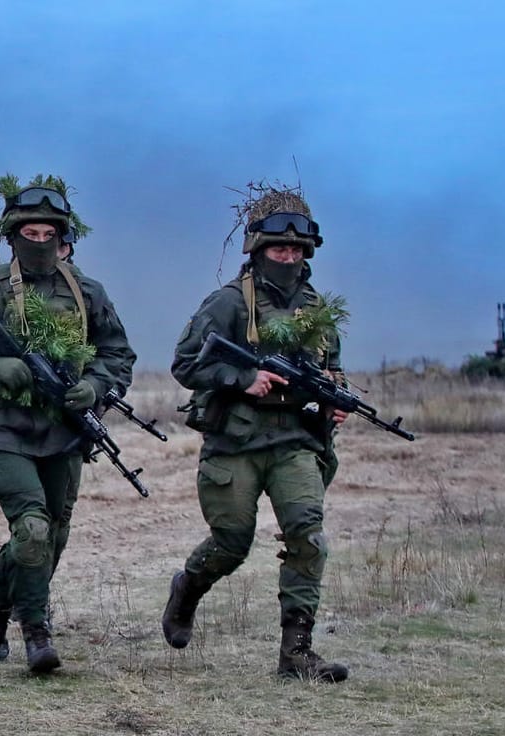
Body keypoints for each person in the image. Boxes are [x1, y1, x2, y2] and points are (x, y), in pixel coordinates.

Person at [0, 176, 136, 673]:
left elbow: (118, 355)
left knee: (53, 536)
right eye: (31, 233)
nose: (40, 242)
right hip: (6, 428)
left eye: (50, 233)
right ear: (12, 236)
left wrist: (96, 386)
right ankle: (37, 632)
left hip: (64, 431)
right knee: (31, 529)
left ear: (63, 234)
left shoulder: (88, 292)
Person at [162, 185, 350, 682]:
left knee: (308, 538)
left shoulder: (318, 312)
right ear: (257, 250)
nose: (287, 257)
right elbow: (185, 363)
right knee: (231, 543)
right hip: (236, 442)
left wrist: (336, 397)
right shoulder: (226, 304)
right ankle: (187, 589)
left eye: (294, 250)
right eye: (277, 249)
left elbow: (333, 369)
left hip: (295, 443)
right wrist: (241, 379)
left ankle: (297, 655)